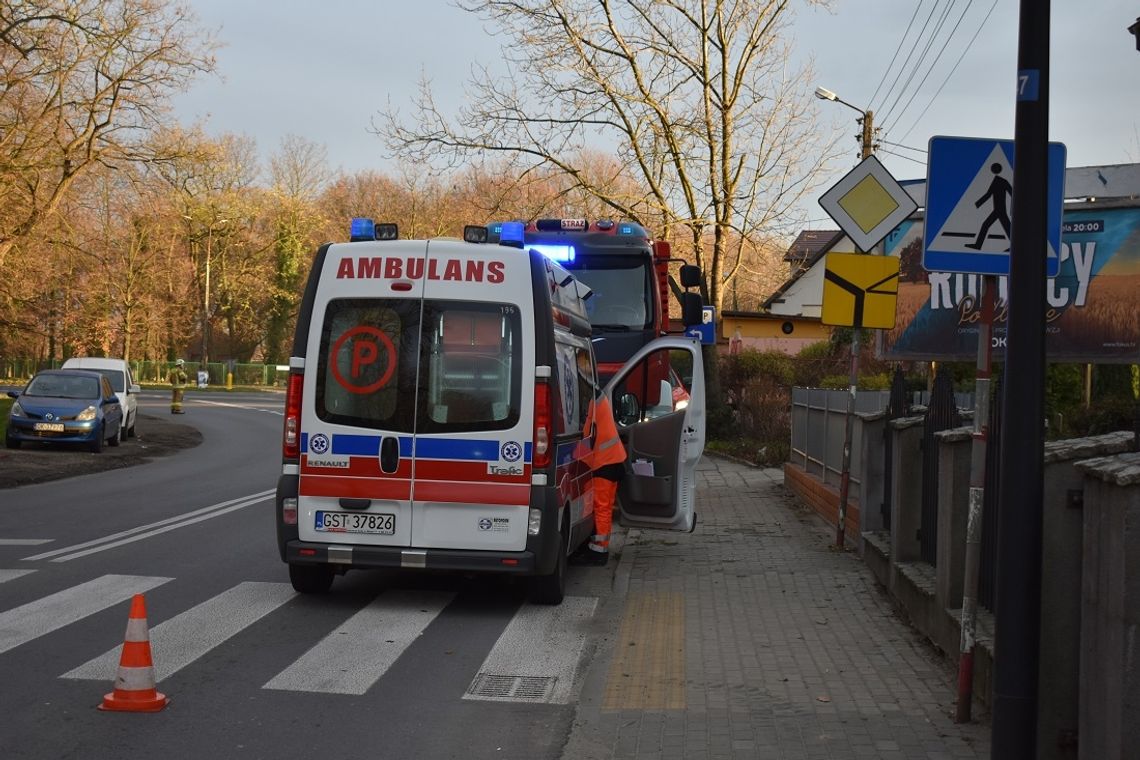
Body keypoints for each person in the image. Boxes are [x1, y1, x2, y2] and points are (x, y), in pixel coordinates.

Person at [572, 351, 626, 566]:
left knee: (601, 506)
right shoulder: (594, 392)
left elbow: (585, 432)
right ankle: (596, 546)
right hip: (613, 459)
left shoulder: (590, 399)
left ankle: (599, 552)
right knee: (604, 505)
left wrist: (573, 455)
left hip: (605, 462)